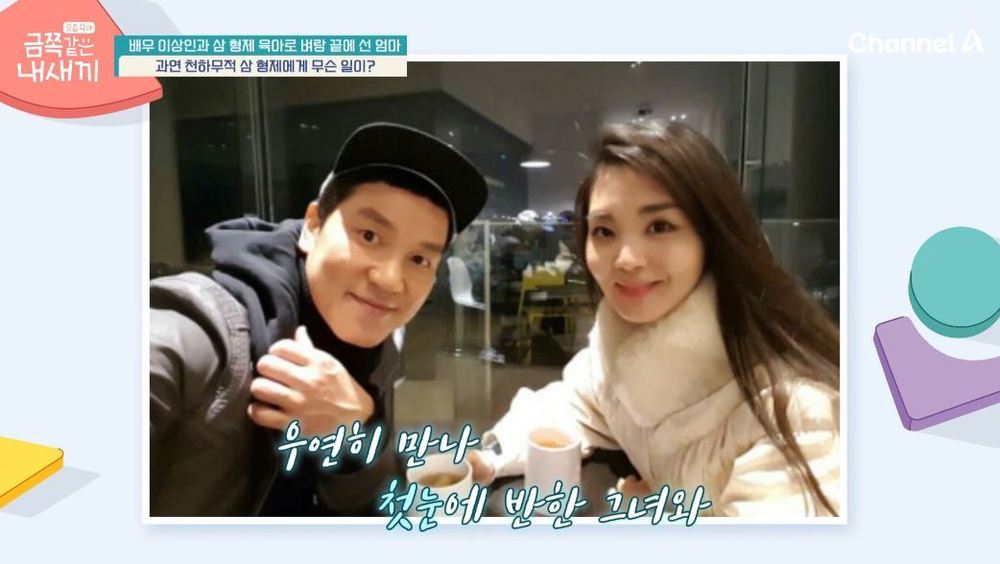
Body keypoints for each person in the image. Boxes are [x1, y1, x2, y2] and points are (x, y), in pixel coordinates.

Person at [471, 122, 840, 517]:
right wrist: (491, 456)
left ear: (713, 235)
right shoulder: (619, 347)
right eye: (604, 231)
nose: (626, 259)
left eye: (660, 226)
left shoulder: (797, 410)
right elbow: (576, 402)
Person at [149, 122, 488, 516]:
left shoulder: (377, 352)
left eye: (419, 259)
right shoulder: (201, 332)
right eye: (369, 236)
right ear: (313, 226)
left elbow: (376, 507)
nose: (390, 280)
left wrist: (357, 436)